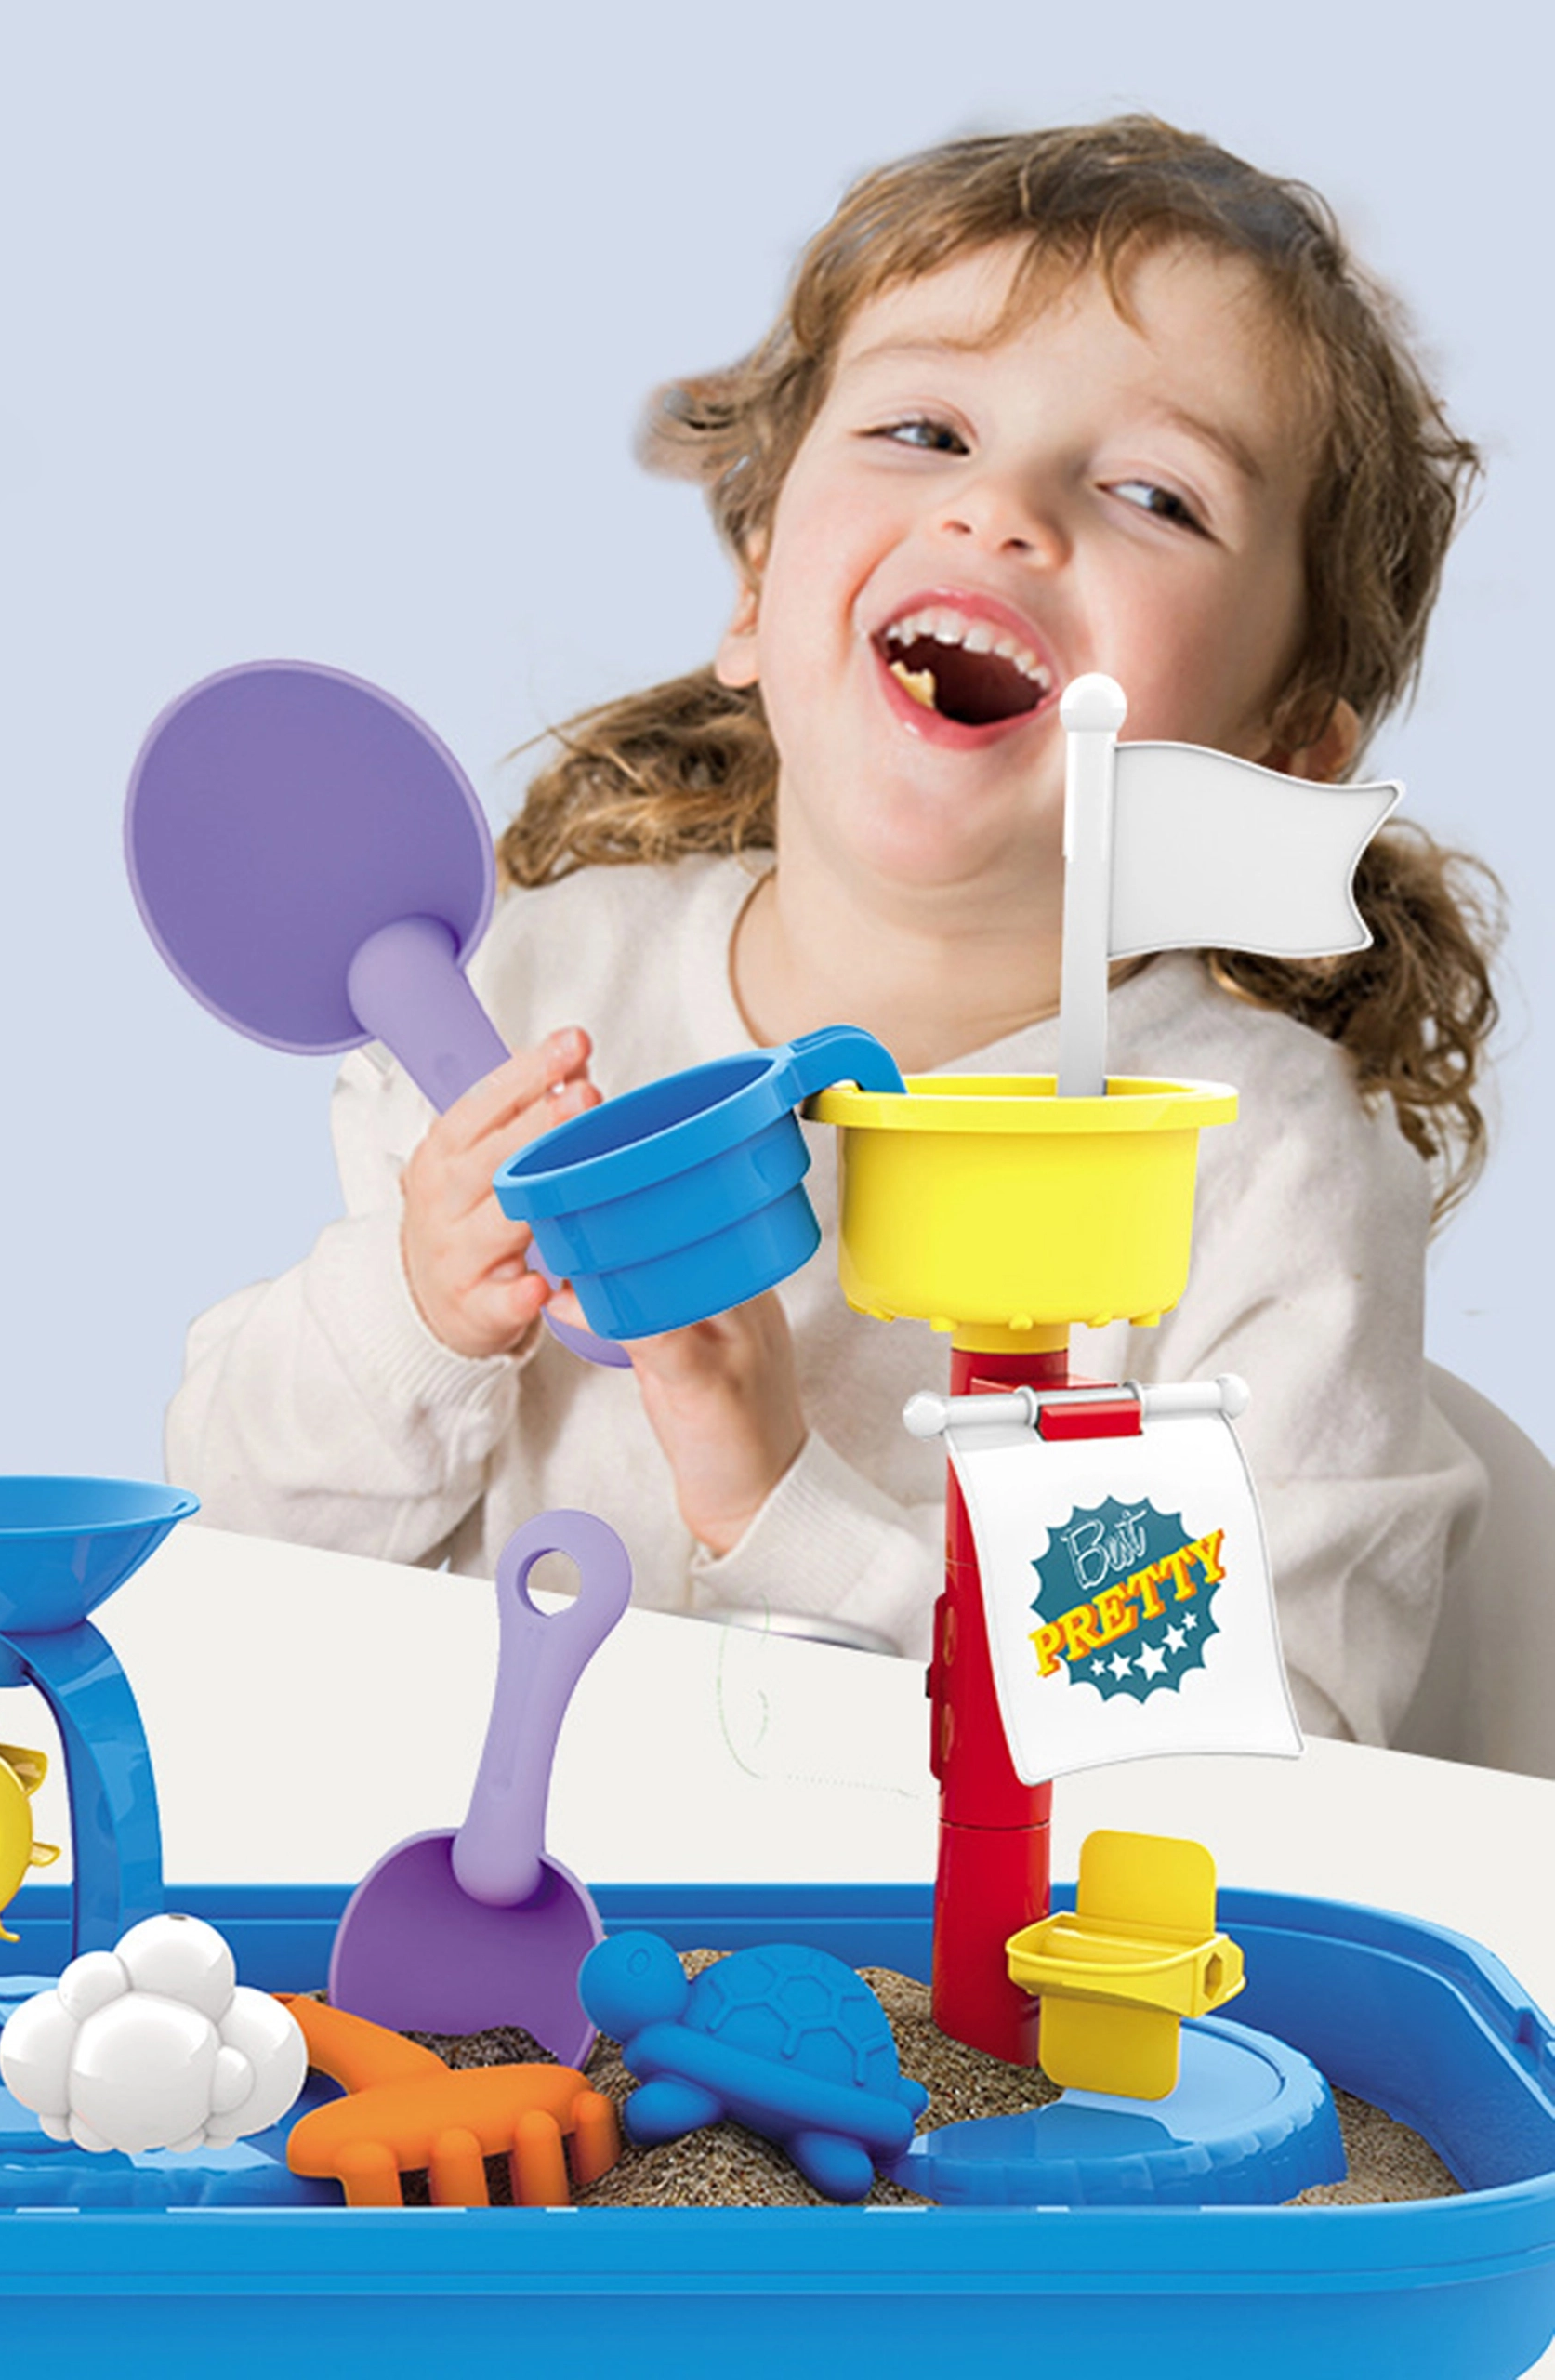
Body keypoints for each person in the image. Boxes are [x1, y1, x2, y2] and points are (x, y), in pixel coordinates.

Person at [167, 116, 1497, 1746]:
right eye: (925, 430)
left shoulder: (1260, 1173)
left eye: (1155, 494)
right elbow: (232, 1562)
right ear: (752, 595)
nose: (1001, 509)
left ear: (1276, 754)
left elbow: (1263, 1751)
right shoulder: (523, 992)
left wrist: (785, 1505)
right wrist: (414, 1312)